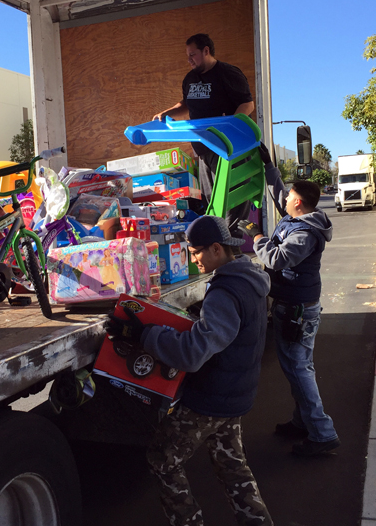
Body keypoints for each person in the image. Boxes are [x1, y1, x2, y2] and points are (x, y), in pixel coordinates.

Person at [106, 216, 273, 526]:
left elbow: (192, 353)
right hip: (235, 393)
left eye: (196, 252)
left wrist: (141, 334)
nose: (193, 259)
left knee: (162, 460)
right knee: (233, 467)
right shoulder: (250, 279)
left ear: (216, 249)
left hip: (210, 399)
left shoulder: (224, 292)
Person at [238, 144, 340, 456]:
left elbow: (277, 258)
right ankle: (302, 422)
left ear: (297, 203)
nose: (284, 198)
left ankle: (322, 433)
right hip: (294, 305)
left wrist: (256, 236)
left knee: (298, 368)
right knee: (298, 367)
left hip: (297, 310)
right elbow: (277, 188)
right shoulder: (299, 218)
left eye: (289, 196)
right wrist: (269, 166)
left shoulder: (304, 234)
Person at [152, 33, 255, 235]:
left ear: (206, 51)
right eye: (188, 55)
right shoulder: (190, 78)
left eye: (193, 54)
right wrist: (167, 113)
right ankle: (219, 242)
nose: (189, 59)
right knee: (212, 197)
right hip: (204, 148)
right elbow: (186, 104)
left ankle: (231, 246)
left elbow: (247, 103)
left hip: (228, 148)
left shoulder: (228, 73)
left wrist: (231, 126)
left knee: (232, 198)